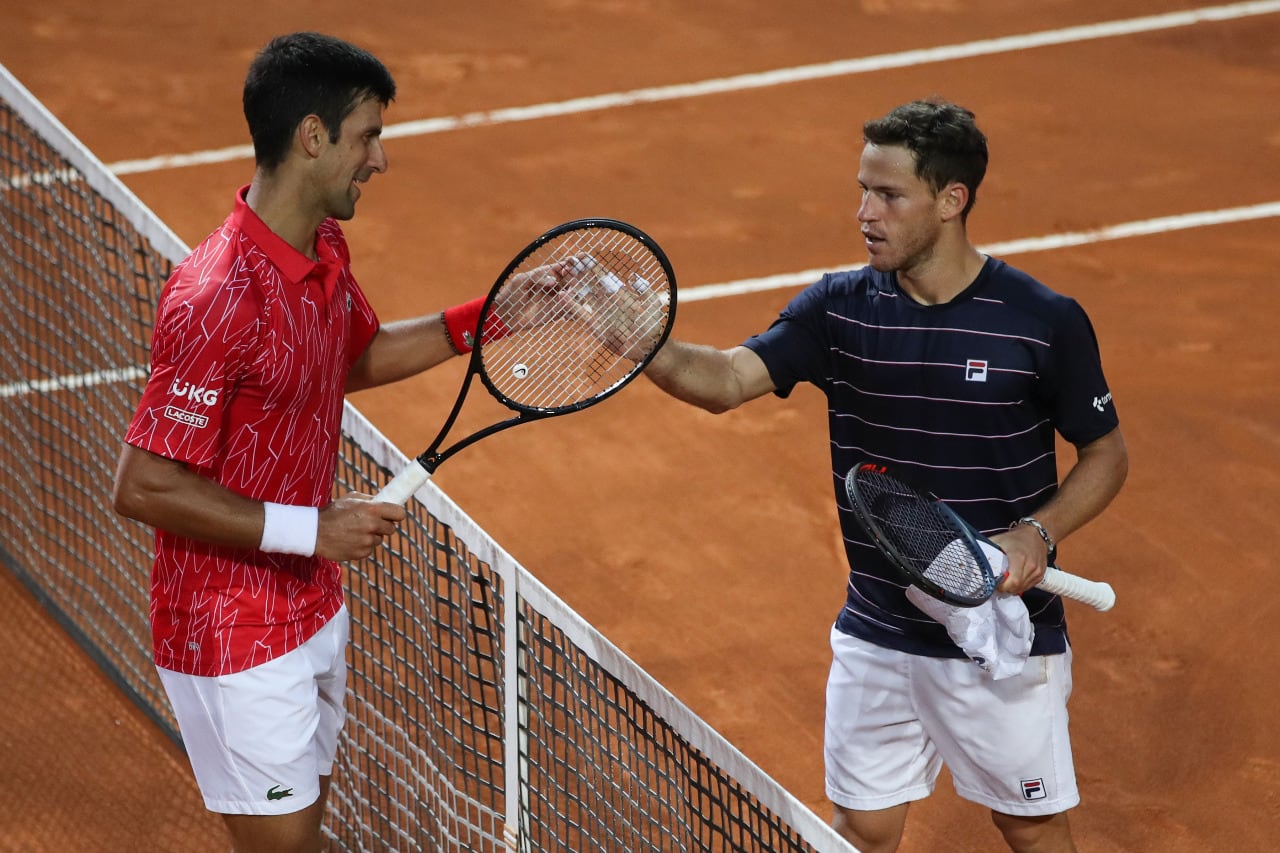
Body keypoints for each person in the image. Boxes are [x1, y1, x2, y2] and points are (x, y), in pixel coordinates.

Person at [111, 32, 569, 853]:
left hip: (312, 601)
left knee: (304, 835)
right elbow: (143, 485)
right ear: (313, 135)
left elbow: (346, 356)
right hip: (228, 622)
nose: (380, 159)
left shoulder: (321, 246)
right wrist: (312, 527)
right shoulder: (216, 296)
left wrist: (491, 315)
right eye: (368, 136)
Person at [641, 98, 1128, 852]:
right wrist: (644, 343)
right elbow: (728, 379)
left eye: (888, 195)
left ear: (951, 199)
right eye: (863, 190)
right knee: (863, 830)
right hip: (877, 625)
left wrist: (1039, 530)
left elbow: (1106, 453)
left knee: (1031, 829)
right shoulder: (839, 308)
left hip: (999, 640)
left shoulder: (1040, 320)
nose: (864, 212)